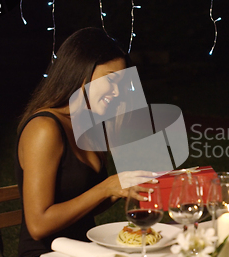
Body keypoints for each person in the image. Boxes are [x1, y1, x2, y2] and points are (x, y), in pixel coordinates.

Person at [15, 27, 157, 257]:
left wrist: (121, 188)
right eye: (110, 80)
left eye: (122, 84)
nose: (117, 92)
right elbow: (38, 225)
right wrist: (106, 187)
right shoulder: (45, 128)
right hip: (47, 252)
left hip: (87, 249)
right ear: (79, 72)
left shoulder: (90, 124)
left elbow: (86, 200)